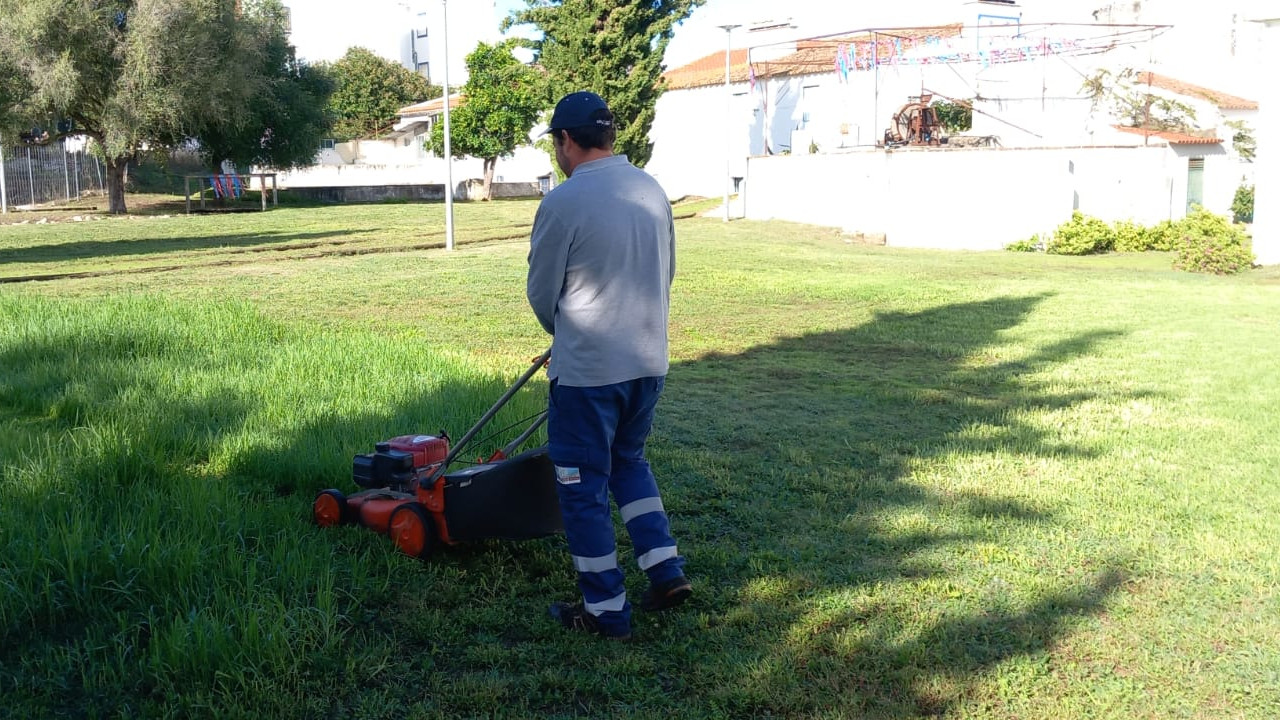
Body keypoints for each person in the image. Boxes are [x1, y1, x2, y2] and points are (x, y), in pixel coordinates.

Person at [526, 91, 691, 640]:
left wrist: (567, 334)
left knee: (580, 486)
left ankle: (605, 610)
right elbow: (664, 275)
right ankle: (665, 572)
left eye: (556, 142)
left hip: (589, 374)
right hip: (648, 361)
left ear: (566, 141)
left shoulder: (564, 202)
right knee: (629, 462)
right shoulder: (651, 190)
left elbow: (542, 294)